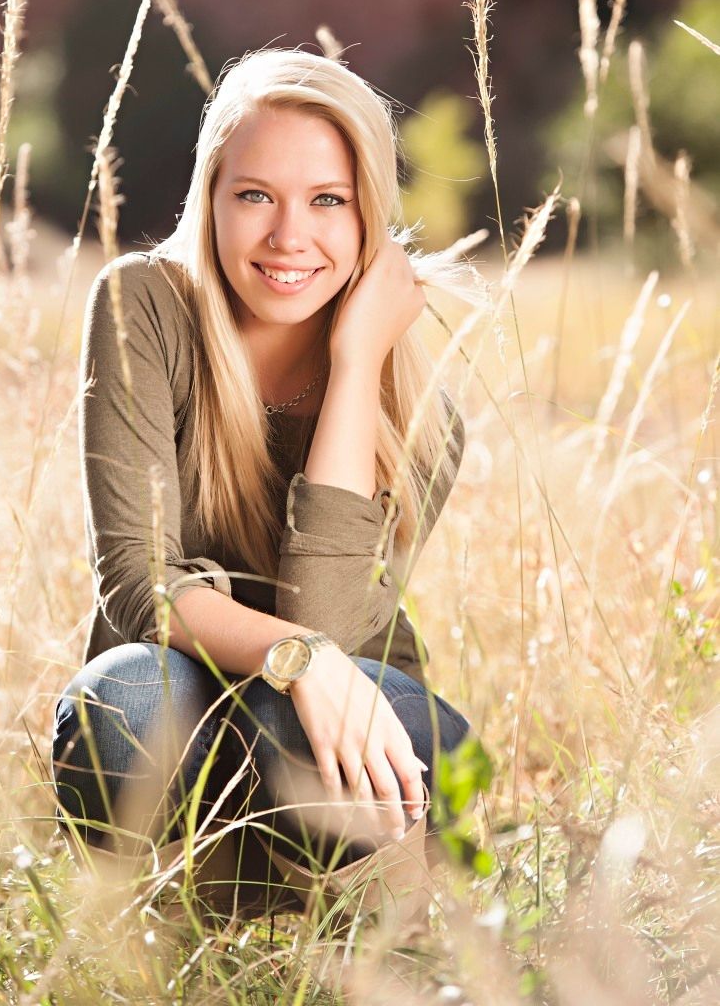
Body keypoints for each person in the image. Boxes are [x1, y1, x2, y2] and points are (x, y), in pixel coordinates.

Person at [51, 46, 479, 923]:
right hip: (184, 697)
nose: (290, 237)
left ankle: (361, 911)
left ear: (371, 220)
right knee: (124, 700)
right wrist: (299, 657)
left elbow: (328, 623)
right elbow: (139, 585)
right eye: (255, 196)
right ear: (210, 201)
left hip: (339, 729)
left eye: (329, 200)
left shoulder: (422, 426)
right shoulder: (144, 307)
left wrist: (358, 367)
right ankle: (184, 904)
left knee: (308, 722)